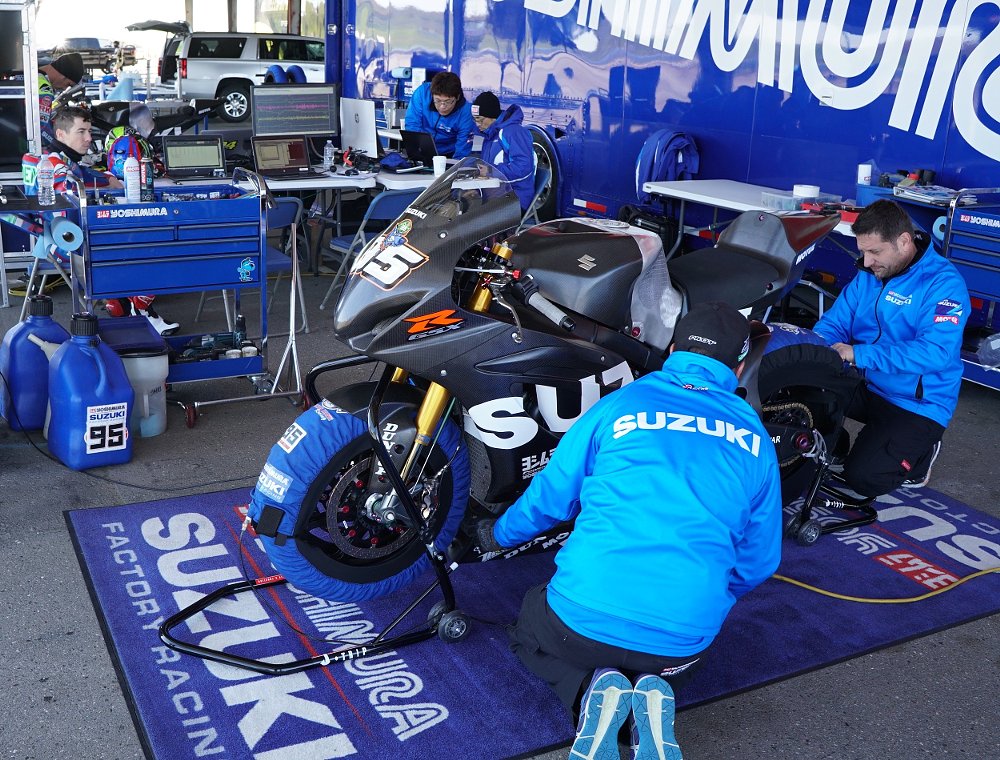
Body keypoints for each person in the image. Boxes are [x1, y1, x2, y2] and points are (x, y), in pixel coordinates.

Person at [478, 302, 782, 759]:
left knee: (529, 629)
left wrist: (497, 535)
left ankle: (588, 690)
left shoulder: (621, 404)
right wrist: (707, 593)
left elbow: (550, 498)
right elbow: (760, 561)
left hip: (580, 622)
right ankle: (642, 711)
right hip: (679, 644)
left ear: (673, 350)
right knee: (668, 663)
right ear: (739, 367)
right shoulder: (755, 438)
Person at [813, 199, 970, 496]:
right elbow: (834, 323)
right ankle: (835, 443)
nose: (866, 262)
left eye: (875, 252)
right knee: (799, 384)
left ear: (904, 241)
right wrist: (815, 348)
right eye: (863, 252)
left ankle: (920, 454)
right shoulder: (869, 272)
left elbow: (935, 353)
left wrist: (859, 354)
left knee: (864, 478)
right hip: (864, 381)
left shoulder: (944, 284)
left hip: (914, 402)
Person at [472, 91, 536, 211]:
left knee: (467, 216)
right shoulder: (490, 134)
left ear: (492, 116)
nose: (477, 124)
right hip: (495, 195)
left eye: (480, 120)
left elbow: (523, 168)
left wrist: (491, 171)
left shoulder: (513, 132)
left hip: (515, 199)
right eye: (474, 119)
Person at [403, 71, 475, 159]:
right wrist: (417, 151)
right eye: (437, 100)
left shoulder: (466, 112)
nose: (442, 106)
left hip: (448, 154)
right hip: (422, 148)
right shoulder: (422, 93)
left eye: (448, 101)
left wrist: (456, 164)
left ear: (457, 97)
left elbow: (463, 146)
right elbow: (412, 124)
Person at [39, 53, 85, 149]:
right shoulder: (44, 88)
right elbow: (42, 128)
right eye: (68, 84)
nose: (64, 88)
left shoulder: (33, 74)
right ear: (63, 75)